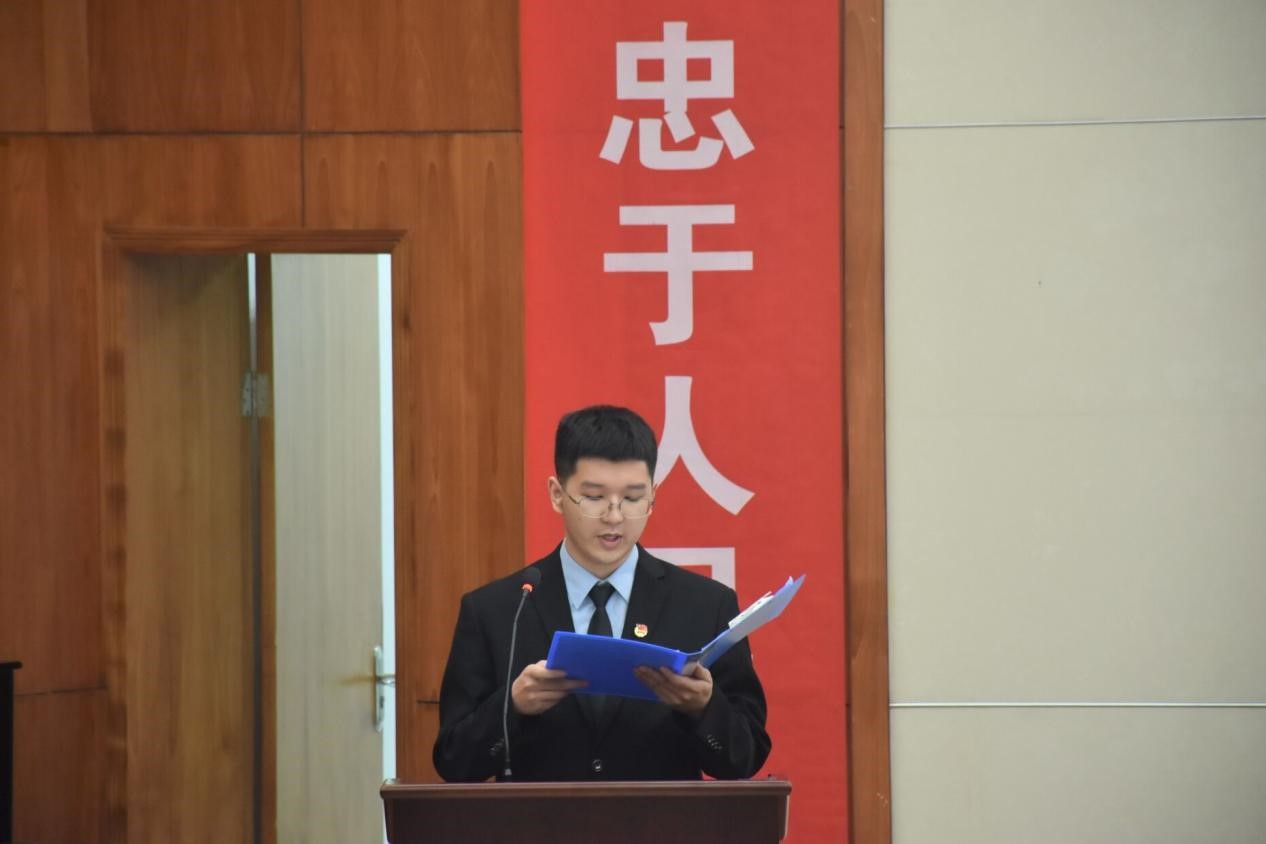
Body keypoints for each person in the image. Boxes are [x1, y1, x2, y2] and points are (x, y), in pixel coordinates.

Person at [432, 405, 771, 781]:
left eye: (632, 498)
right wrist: (512, 706)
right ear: (557, 494)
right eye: (594, 497)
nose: (614, 517)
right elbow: (454, 762)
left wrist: (703, 709)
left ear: (653, 496)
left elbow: (745, 757)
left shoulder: (706, 605)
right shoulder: (497, 610)